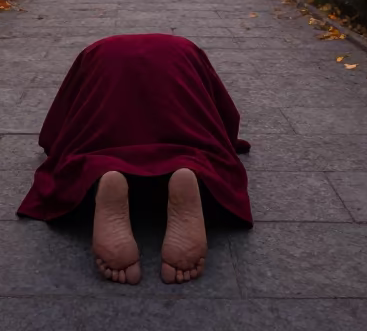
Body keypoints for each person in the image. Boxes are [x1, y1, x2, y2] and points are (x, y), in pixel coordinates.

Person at [17, 33, 253, 284]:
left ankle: (106, 175)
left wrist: (54, 143)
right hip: (181, 105)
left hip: (104, 110)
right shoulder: (188, 50)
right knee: (199, 155)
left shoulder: (93, 53)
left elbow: (58, 121)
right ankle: (187, 170)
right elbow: (226, 112)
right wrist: (227, 140)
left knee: (87, 157)